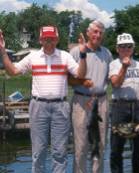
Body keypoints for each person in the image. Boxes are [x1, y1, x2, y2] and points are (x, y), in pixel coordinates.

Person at [0, 26, 87, 173]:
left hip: (60, 107)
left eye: (52, 39)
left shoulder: (65, 56)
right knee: (38, 153)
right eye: (46, 39)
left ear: (57, 39)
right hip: (38, 106)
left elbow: (80, 74)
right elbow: (13, 71)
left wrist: (84, 55)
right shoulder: (33, 57)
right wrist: (2, 51)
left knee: (60, 153)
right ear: (40, 40)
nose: (49, 42)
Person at [69, 20, 112, 173]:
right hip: (81, 101)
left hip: (101, 102)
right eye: (95, 31)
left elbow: (109, 78)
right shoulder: (76, 51)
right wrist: (82, 81)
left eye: (100, 33)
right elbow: (68, 79)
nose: (97, 35)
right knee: (80, 146)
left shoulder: (107, 53)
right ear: (88, 32)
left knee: (99, 146)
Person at [109, 33, 139, 173]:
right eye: (122, 46)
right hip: (120, 106)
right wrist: (124, 67)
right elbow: (115, 84)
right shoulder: (114, 64)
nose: (126, 49)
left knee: (138, 148)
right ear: (117, 48)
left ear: (133, 48)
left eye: (129, 46)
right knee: (116, 148)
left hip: (138, 107)